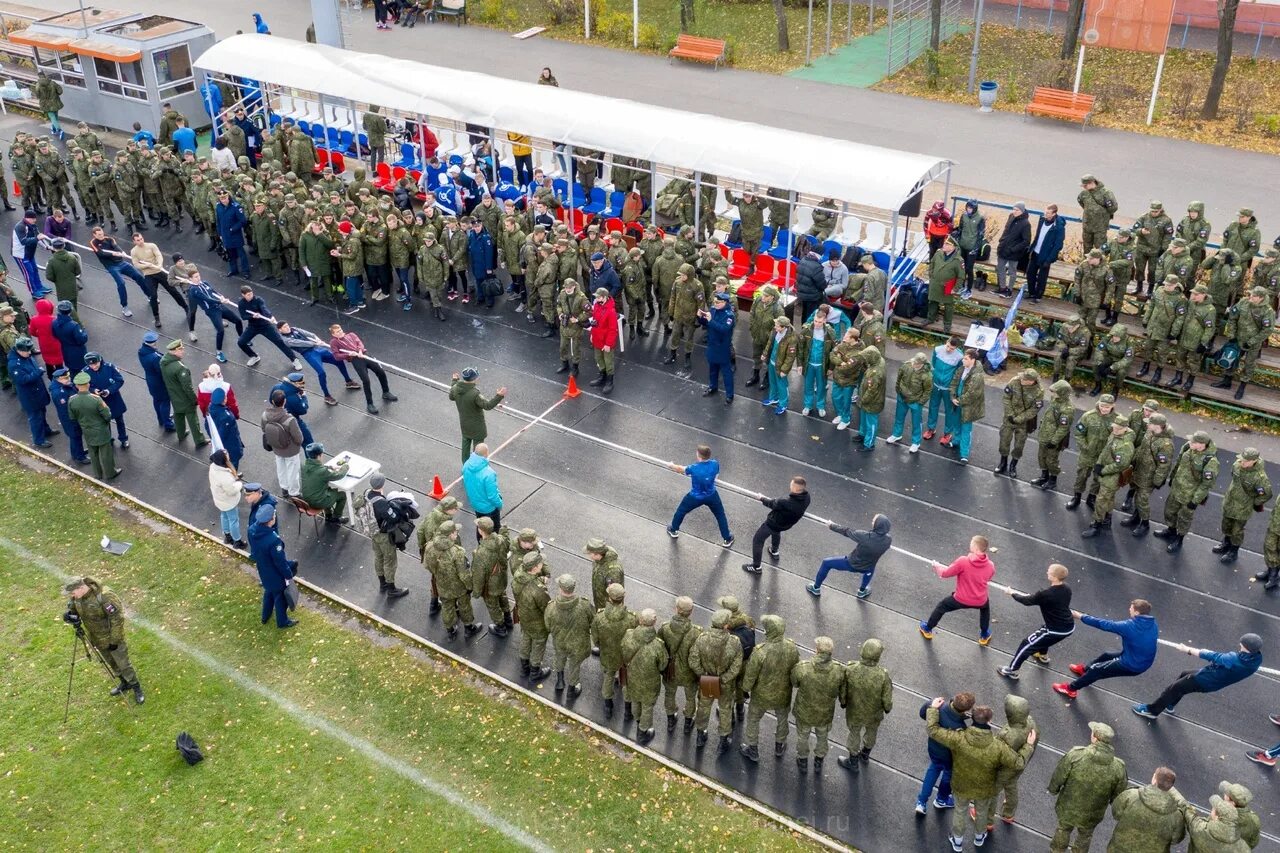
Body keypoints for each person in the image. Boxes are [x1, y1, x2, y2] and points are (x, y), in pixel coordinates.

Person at [925, 699, 1036, 852]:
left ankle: (957, 841)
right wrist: (1029, 746)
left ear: (972, 717)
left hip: (961, 783)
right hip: (984, 787)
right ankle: (979, 837)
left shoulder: (959, 738)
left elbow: (933, 730)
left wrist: (932, 709)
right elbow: (1018, 763)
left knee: (960, 810)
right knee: (982, 811)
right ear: (989, 720)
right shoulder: (998, 747)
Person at [1133, 633, 1262, 719]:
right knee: (1184, 674)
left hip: (1204, 680)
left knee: (1174, 688)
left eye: (1241, 644)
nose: (1239, 645)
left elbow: (1211, 655)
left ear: (1246, 647)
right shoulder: (1256, 660)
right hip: (1215, 681)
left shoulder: (1232, 659)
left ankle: (1152, 711)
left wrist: (1186, 649)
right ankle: (1170, 704)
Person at [1047, 722, 1128, 853]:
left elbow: (1059, 775)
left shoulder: (1076, 755)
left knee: (1063, 829)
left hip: (1069, 805)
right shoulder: (1118, 767)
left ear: (1094, 738)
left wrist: (1053, 789)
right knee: (1085, 835)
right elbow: (1119, 794)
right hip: (1094, 812)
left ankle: (1057, 850)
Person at [1052, 598, 1158, 699]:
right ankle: (1085, 670)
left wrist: (1080, 616)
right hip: (1138, 658)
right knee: (1106, 656)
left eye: (1131, 608)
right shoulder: (1152, 624)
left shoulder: (1130, 626)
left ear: (1137, 613)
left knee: (1097, 670)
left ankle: (1070, 689)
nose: (1129, 609)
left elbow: (1103, 624)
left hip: (1132, 664)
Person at [63, 577, 143, 703]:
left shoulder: (104, 596)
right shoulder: (77, 597)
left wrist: (114, 640)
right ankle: (124, 682)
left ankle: (136, 686)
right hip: (97, 639)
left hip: (113, 639)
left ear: (80, 588)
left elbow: (117, 618)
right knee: (112, 663)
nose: (71, 596)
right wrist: (69, 614)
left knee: (123, 664)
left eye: (72, 592)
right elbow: (74, 609)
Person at [739, 615, 800, 763]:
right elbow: (796, 670)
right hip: (783, 694)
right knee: (782, 719)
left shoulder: (760, 652)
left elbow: (751, 675)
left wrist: (745, 689)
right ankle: (779, 745)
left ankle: (753, 749)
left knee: (753, 720)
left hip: (761, 696)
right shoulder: (792, 648)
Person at [998, 563, 1073, 678]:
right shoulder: (1067, 588)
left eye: (1049, 571)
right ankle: (1043, 656)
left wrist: (1012, 593)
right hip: (1067, 625)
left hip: (1055, 629)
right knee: (1043, 635)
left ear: (1054, 577)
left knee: (1027, 644)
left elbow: (1026, 601)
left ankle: (1012, 670)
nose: (1047, 572)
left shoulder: (1045, 594)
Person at [1153, 429, 1219, 554]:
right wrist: (1172, 477)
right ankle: (1170, 530)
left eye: (1193, 442)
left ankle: (1179, 539)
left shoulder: (1210, 461)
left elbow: (1207, 484)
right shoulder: (1187, 448)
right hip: (1177, 489)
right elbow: (1178, 463)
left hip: (1189, 495)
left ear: (1201, 444)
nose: (1190, 442)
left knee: (1184, 518)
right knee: (1169, 511)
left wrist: (1195, 500)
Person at [920, 535, 995, 643]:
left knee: (942, 606)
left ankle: (927, 629)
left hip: (960, 599)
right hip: (980, 600)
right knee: (985, 609)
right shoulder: (990, 565)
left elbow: (945, 573)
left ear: (975, 548)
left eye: (971, 542)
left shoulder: (963, 561)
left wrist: (937, 566)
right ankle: (984, 635)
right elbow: (988, 577)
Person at [688, 608, 743, 753]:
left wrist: (704, 675)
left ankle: (700, 734)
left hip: (708, 680)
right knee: (725, 710)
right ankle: (723, 740)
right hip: (725, 683)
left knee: (703, 707)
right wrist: (723, 679)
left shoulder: (702, 638)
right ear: (725, 625)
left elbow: (693, 661)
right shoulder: (734, 642)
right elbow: (736, 667)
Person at [791, 636, 846, 773]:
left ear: (817, 650)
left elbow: (794, 683)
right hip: (825, 713)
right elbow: (842, 692)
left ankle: (803, 760)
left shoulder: (803, 668)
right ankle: (818, 761)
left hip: (804, 711)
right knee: (822, 737)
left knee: (803, 736)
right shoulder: (839, 670)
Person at [807, 514, 892, 599]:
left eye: (874, 521)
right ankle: (862, 591)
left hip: (851, 563)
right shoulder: (888, 540)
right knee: (871, 568)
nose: (872, 522)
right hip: (868, 566)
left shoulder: (864, 536)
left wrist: (831, 525)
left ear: (878, 525)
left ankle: (816, 588)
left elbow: (846, 531)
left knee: (826, 563)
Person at [915, 692, 974, 814]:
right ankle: (941, 799)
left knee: (932, 771)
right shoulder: (960, 727)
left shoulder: (937, 705)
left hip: (934, 750)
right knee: (948, 776)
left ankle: (921, 802)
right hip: (949, 757)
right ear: (966, 709)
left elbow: (922, 713)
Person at [839, 638, 892, 771]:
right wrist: (887, 708)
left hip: (855, 711)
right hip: (874, 713)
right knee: (871, 731)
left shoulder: (850, 669)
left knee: (854, 733)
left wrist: (843, 702)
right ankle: (865, 754)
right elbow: (887, 701)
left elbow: (843, 690)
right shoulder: (883, 675)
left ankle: (853, 760)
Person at [277, 321, 359, 405]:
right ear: (280, 330)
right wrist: (314, 343)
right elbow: (301, 343)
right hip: (309, 354)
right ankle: (327, 396)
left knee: (338, 360)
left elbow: (309, 334)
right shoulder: (286, 340)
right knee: (321, 373)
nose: (287, 327)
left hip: (318, 348)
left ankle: (348, 381)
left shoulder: (294, 329)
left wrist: (317, 339)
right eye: (284, 327)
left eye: (287, 325)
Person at [1106, 767, 1186, 853]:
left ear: (1154, 779)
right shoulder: (1176, 816)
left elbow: (1116, 813)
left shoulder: (1131, 795)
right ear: (1171, 787)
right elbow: (1176, 839)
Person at [666, 444, 733, 547]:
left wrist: (671, 465)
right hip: (712, 495)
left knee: (681, 511)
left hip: (695, 496)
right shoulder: (715, 464)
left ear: (699, 456)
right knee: (720, 516)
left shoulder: (694, 468)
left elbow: (680, 469)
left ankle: (673, 529)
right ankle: (727, 538)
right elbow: (716, 477)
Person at [742, 476, 810, 574]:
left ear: (795, 489)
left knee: (758, 540)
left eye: (791, 484)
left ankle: (756, 566)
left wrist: (761, 498)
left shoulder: (785, 502)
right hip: (787, 524)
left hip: (773, 523)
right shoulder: (807, 498)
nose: (790, 485)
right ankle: (774, 551)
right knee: (776, 532)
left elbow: (771, 503)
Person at [1214, 447, 1271, 563]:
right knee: (1226, 525)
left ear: (1254, 461)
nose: (1242, 462)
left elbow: (1265, 494)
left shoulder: (1260, 478)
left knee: (1237, 531)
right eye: (1241, 459)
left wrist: (1254, 503)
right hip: (1229, 502)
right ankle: (1226, 543)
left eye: (1245, 461)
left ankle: (1233, 552)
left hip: (1243, 508)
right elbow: (1233, 476)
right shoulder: (1236, 465)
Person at [426, 521, 482, 639]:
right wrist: (469, 586)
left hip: (442, 585)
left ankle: (450, 630)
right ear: (449, 535)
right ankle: (468, 628)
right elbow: (464, 574)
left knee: (447, 607)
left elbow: (428, 566)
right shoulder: (457, 552)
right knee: (465, 605)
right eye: (455, 531)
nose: (457, 533)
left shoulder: (430, 547)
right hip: (459, 587)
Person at [621, 608, 669, 746]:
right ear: (654, 623)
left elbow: (623, 651)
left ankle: (637, 720)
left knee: (635, 701)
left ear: (640, 621)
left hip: (632, 678)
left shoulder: (629, 635)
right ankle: (642, 732)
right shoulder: (658, 645)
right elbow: (662, 665)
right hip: (650, 683)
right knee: (647, 707)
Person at [544, 573, 595, 698]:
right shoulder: (584, 605)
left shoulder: (551, 607)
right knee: (574, 665)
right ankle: (572, 689)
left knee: (559, 658)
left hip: (560, 641)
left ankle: (560, 682)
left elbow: (547, 626)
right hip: (579, 643)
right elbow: (592, 622)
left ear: (561, 589)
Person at [248, 504, 298, 630]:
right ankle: (282, 621)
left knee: (269, 591)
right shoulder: (273, 540)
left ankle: (265, 616)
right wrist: (288, 576)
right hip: (275, 573)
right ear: (271, 520)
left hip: (263, 569)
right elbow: (280, 562)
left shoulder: (252, 530)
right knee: (280, 597)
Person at [328, 324, 398, 414]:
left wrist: (360, 350)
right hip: (356, 360)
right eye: (337, 332)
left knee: (381, 372)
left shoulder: (351, 335)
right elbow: (337, 356)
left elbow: (359, 342)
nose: (340, 332)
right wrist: (349, 354)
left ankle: (386, 392)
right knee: (366, 380)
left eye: (340, 330)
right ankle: (370, 404)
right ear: (334, 335)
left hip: (365, 355)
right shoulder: (334, 342)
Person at [591, 583, 637, 719]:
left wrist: (602, 646)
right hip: (625, 656)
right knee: (625, 680)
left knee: (608, 677)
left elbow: (595, 638)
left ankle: (608, 705)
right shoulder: (632, 618)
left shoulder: (599, 617)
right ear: (623, 598)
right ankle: (628, 711)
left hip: (608, 654)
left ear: (609, 598)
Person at [659, 596, 701, 734]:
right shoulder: (696, 632)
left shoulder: (665, 628)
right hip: (689, 673)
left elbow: (660, 649)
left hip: (670, 671)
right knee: (690, 698)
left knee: (669, 695)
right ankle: (688, 722)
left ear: (676, 609)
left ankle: (671, 719)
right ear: (691, 611)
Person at [185, 268, 244, 364]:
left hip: (219, 306)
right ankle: (219, 352)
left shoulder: (205, 283)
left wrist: (221, 297)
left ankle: (242, 338)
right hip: (212, 311)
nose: (198, 278)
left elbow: (213, 292)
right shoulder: (193, 290)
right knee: (220, 330)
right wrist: (220, 301)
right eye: (195, 277)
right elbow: (207, 299)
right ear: (190, 279)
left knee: (238, 320)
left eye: (198, 275)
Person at [89, 225, 150, 318]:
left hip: (121, 263)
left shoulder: (109, 239)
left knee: (138, 276)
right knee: (121, 283)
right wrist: (112, 253)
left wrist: (122, 252)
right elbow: (100, 253)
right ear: (94, 235)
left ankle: (149, 296)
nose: (101, 235)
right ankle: (124, 306)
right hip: (112, 266)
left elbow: (116, 247)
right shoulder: (93, 242)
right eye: (99, 235)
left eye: (102, 233)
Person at [365, 474, 411, 598]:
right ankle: (392, 589)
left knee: (378, 557)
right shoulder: (380, 502)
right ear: (382, 485)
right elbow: (393, 517)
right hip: (384, 535)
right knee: (390, 560)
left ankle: (382, 583)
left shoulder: (367, 494)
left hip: (373, 532)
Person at [236, 286, 301, 370]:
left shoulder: (258, 300)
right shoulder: (241, 303)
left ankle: (294, 359)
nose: (251, 296)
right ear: (243, 295)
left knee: (280, 342)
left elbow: (264, 309)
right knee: (241, 342)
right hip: (253, 326)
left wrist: (270, 316)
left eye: (251, 293)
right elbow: (244, 316)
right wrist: (252, 316)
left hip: (265, 326)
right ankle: (254, 356)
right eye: (248, 295)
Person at [995, 368, 1043, 479]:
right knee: (1004, 441)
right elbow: (1006, 398)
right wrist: (1010, 414)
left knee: (1019, 446)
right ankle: (1003, 463)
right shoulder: (1014, 381)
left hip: (1023, 422)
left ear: (1032, 381)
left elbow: (1034, 409)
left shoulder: (1039, 391)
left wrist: (1018, 419)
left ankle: (1013, 465)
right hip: (1009, 418)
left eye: (1025, 379)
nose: (1021, 379)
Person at [9, 337, 55, 448]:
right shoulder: (15, 364)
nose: (29, 353)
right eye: (27, 351)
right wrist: (38, 372)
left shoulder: (25, 357)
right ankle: (39, 440)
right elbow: (22, 380)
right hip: (30, 396)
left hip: (37, 392)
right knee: (35, 418)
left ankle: (46, 430)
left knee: (42, 413)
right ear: (19, 350)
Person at [1030, 380, 1075, 491]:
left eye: (1055, 392)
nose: (1052, 394)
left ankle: (1052, 480)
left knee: (1051, 460)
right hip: (1044, 434)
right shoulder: (1055, 400)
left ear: (1063, 392)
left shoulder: (1067, 409)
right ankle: (1044, 476)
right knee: (1041, 457)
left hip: (1053, 439)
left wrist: (1054, 441)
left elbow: (1063, 428)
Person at [160, 341, 208, 446]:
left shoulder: (163, 362)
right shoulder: (180, 368)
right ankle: (199, 440)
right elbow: (188, 388)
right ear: (175, 351)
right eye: (181, 349)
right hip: (184, 399)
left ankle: (180, 434)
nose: (183, 351)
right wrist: (195, 400)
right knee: (193, 419)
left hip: (173, 396)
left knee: (178, 415)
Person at [471, 517, 513, 636]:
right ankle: (508, 619)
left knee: (493, 606)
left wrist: (477, 591)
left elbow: (479, 575)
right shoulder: (500, 540)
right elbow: (507, 542)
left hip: (490, 586)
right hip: (501, 579)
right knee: (502, 596)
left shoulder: (481, 553)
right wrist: (504, 530)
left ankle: (500, 627)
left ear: (481, 530)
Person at [515, 551, 552, 681]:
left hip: (524, 616)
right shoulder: (538, 589)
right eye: (541, 563)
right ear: (535, 568)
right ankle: (535, 671)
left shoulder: (518, 575)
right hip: (537, 622)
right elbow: (547, 607)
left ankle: (524, 667)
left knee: (525, 638)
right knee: (538, 644)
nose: (543, 564)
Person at [261, 388, 304, 497]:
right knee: (293, 471)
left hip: (276, 447)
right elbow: (299, 438)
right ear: (284, 402)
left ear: (273, 401)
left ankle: (284, 488)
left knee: (281, 468)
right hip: (291, 450)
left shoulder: (265, 415)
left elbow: (263, 429)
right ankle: (294, 493)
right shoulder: (290, 419)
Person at [947, 348, 984, 465]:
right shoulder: (961, 369)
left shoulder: (977, 375)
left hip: (968, 407)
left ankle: (964, 454)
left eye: (966, 358)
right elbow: (953, 383)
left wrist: (958, 400)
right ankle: (956, 441)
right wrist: (953, 397)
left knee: (966, 430)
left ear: (972, 360)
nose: (963, 360)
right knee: (956, 424)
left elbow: (972, 394)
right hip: (957, 403)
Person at [84, 352, 128, 449]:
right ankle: (108, 439)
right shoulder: (85, 372)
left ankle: (123, 439)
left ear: (100, 360)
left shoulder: (109, 367)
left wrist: (109, 390)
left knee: (119, 420)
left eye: (95, 363)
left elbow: (119, 380)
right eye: (91, 364)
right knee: (104, 422)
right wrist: (92, 390)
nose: (93, 366)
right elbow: (82, 386)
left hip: (114, 399)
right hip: (98, 402)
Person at [797, 303, 834, 417]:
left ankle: (820, 406)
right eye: (815, 321)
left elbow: (834, 351)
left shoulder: (830, 333)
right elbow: (800, 349)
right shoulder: (806, 330)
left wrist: (831, 367)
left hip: (822, 365)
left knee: (821, 387)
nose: (817, 324)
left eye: (819, 322)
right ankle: (807, 406)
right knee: (808, 386)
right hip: (809, 364)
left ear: (825, 320)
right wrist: (799, 364)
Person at [924, 336, 963, 443]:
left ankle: (947, 434)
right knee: (933, 408)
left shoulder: (960, 356)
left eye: (952, 349)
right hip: (936, 385)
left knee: (949, 411)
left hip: (948, 388)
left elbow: (958, 372)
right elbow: (934, 363)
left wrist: (953, 386)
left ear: (956, 348)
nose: (949, 349)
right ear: (947, 342)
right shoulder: (937, 350)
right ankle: (931, 429)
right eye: (948, 346)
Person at [699, 292, 736, 403]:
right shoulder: (713, 309)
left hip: (722, 347)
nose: (715, 304)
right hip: (712, 345)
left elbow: (723, 329)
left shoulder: (729, 315)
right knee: (712, 369)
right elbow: (706, 324)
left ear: (725, 302)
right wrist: (701, 318)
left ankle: (730, 395)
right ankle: (712, 386)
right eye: (714, 301)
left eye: (717, 302)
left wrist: (711, 320)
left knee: (726, 373)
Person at [1025, 204, 1065, 301]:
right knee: (1030, 273)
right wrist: (1031, 248)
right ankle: (1031, 293)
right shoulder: (1042, 220)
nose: (1045, 214)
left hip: (1046, 256)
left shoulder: (1059, 227)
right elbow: (1038, 235)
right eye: (1045, 212)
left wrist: (1049, 259)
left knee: (1042, 278)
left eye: (1048, 213)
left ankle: (1038, 296)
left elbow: (1058, 245)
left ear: (1054, 214)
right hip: (1035, 252)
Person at [300, 443, 348, 523]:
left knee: (326, 491)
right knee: (342, 495)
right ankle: (336, 517)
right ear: (319, 456)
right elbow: (339, 475)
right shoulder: (323, 472)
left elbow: (315, 469)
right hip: (318, 502)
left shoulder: (304, 467)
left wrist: (328, 467)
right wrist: (345, 467)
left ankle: (328, 515)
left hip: (306, 501)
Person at [136, 331, 174, 432]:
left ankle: (161, 418)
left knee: (156, 400)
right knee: (165, 401)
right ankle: (168, 424)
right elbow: (161, 371)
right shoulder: (154, 357)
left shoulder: (141, 351)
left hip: (150, 380)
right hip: (159, 383)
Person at [49, 368, 88, 465]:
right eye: (66, 378)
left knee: (76, 436)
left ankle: (77, 452)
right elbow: (66, 409)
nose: (69, 379)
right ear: (58, 379)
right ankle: (79, 457)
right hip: (70, 419)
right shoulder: (59, 393)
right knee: (75, 436)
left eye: (68, 377)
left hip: (73, 417)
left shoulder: (65, 386)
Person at [208, 449, 246, 548]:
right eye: (226, 454)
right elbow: (231, 490)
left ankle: (227, 535)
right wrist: (239, 484)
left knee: (224, 516)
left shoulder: (213, 467)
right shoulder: (224, 476)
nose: (228, 454)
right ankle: (237, 541)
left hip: (219, 499)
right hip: (228, 502)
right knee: (233, 520)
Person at [926, 237, 964, 333]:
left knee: (948, 306)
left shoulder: (958, 260)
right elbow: (932, 264)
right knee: (932, 302)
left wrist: (955, 289)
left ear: (953, 247)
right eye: (944, 243)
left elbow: (961, 277)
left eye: (947, 244)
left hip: (947, 287)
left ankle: (947, 324)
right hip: (935, 283)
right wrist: (931, 275)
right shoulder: (938, 253)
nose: (944, 245)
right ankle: (930, 318)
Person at [761, 315, 797, 415]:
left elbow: (790, 357)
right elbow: (769, 343)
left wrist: (784, 370)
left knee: (782, 385)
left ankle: (783, 404)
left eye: (777, 325)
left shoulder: (792, 339)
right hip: (772, 362)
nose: (775, 327)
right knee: (772, 382)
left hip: (780, 367)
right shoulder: (775, 331)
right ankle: (773, 398)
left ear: (783, 327)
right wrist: (765, 353)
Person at [461, 442, 503, 531]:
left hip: (476, 505)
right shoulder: (489, 473)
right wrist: (499, 504)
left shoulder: (466, 465)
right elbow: (492, 495)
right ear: (486, 453)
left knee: (481, 528)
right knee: (494, 530)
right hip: (489, 508)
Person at [995, 203, 1031, 297]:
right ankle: (1002, 288)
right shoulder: (1011, 216)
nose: (1014, 211)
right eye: (1013, 209)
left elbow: (1026, 241)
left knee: (1012, 272)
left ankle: (1009, 290)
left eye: (1017, 210)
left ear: (1022, 211)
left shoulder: (1026, 224)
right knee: (1000, 268)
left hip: (1014, 253)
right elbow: (1006, 230)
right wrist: (1001, 241)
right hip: (1003, 248)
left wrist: (1014, 249)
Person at [588, 286, 618, 393]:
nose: (596, 299)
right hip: (597, 339)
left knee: (608, 362)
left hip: (606, 342)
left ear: (604, 297)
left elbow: (613, 330)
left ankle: (609, 381)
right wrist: (592, 334)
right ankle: (602, 376)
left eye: (599, 297)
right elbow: (594, 321)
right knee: (599, 359)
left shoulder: (611, 311)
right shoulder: (596, 306)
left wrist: (608, 344)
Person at [1077, 174, 1118, 253]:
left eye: (1085, 185)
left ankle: (1099, 265)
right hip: (1087, 225)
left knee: (1100, 249)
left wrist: (1102, 213)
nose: (1084, 187)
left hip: (1100, 226)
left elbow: (1113, 208)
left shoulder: (1106, 193)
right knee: (1087, 248)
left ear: (1092, 182)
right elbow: (1081, 201)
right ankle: (1086, 264)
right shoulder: (1084, 193)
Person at [215, 190, 251, 279]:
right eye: (221, 199)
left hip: (235, 235)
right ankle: (233, 270)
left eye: (225, 198)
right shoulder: (218, 207)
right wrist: (220, 233)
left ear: (228, 197)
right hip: (225, 235)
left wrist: (233, 228)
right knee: (230, 254)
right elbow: (218, 221)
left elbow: (242, 221)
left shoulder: (236, 207)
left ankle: (246, 271)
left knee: (241, 254)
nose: (223, 200)